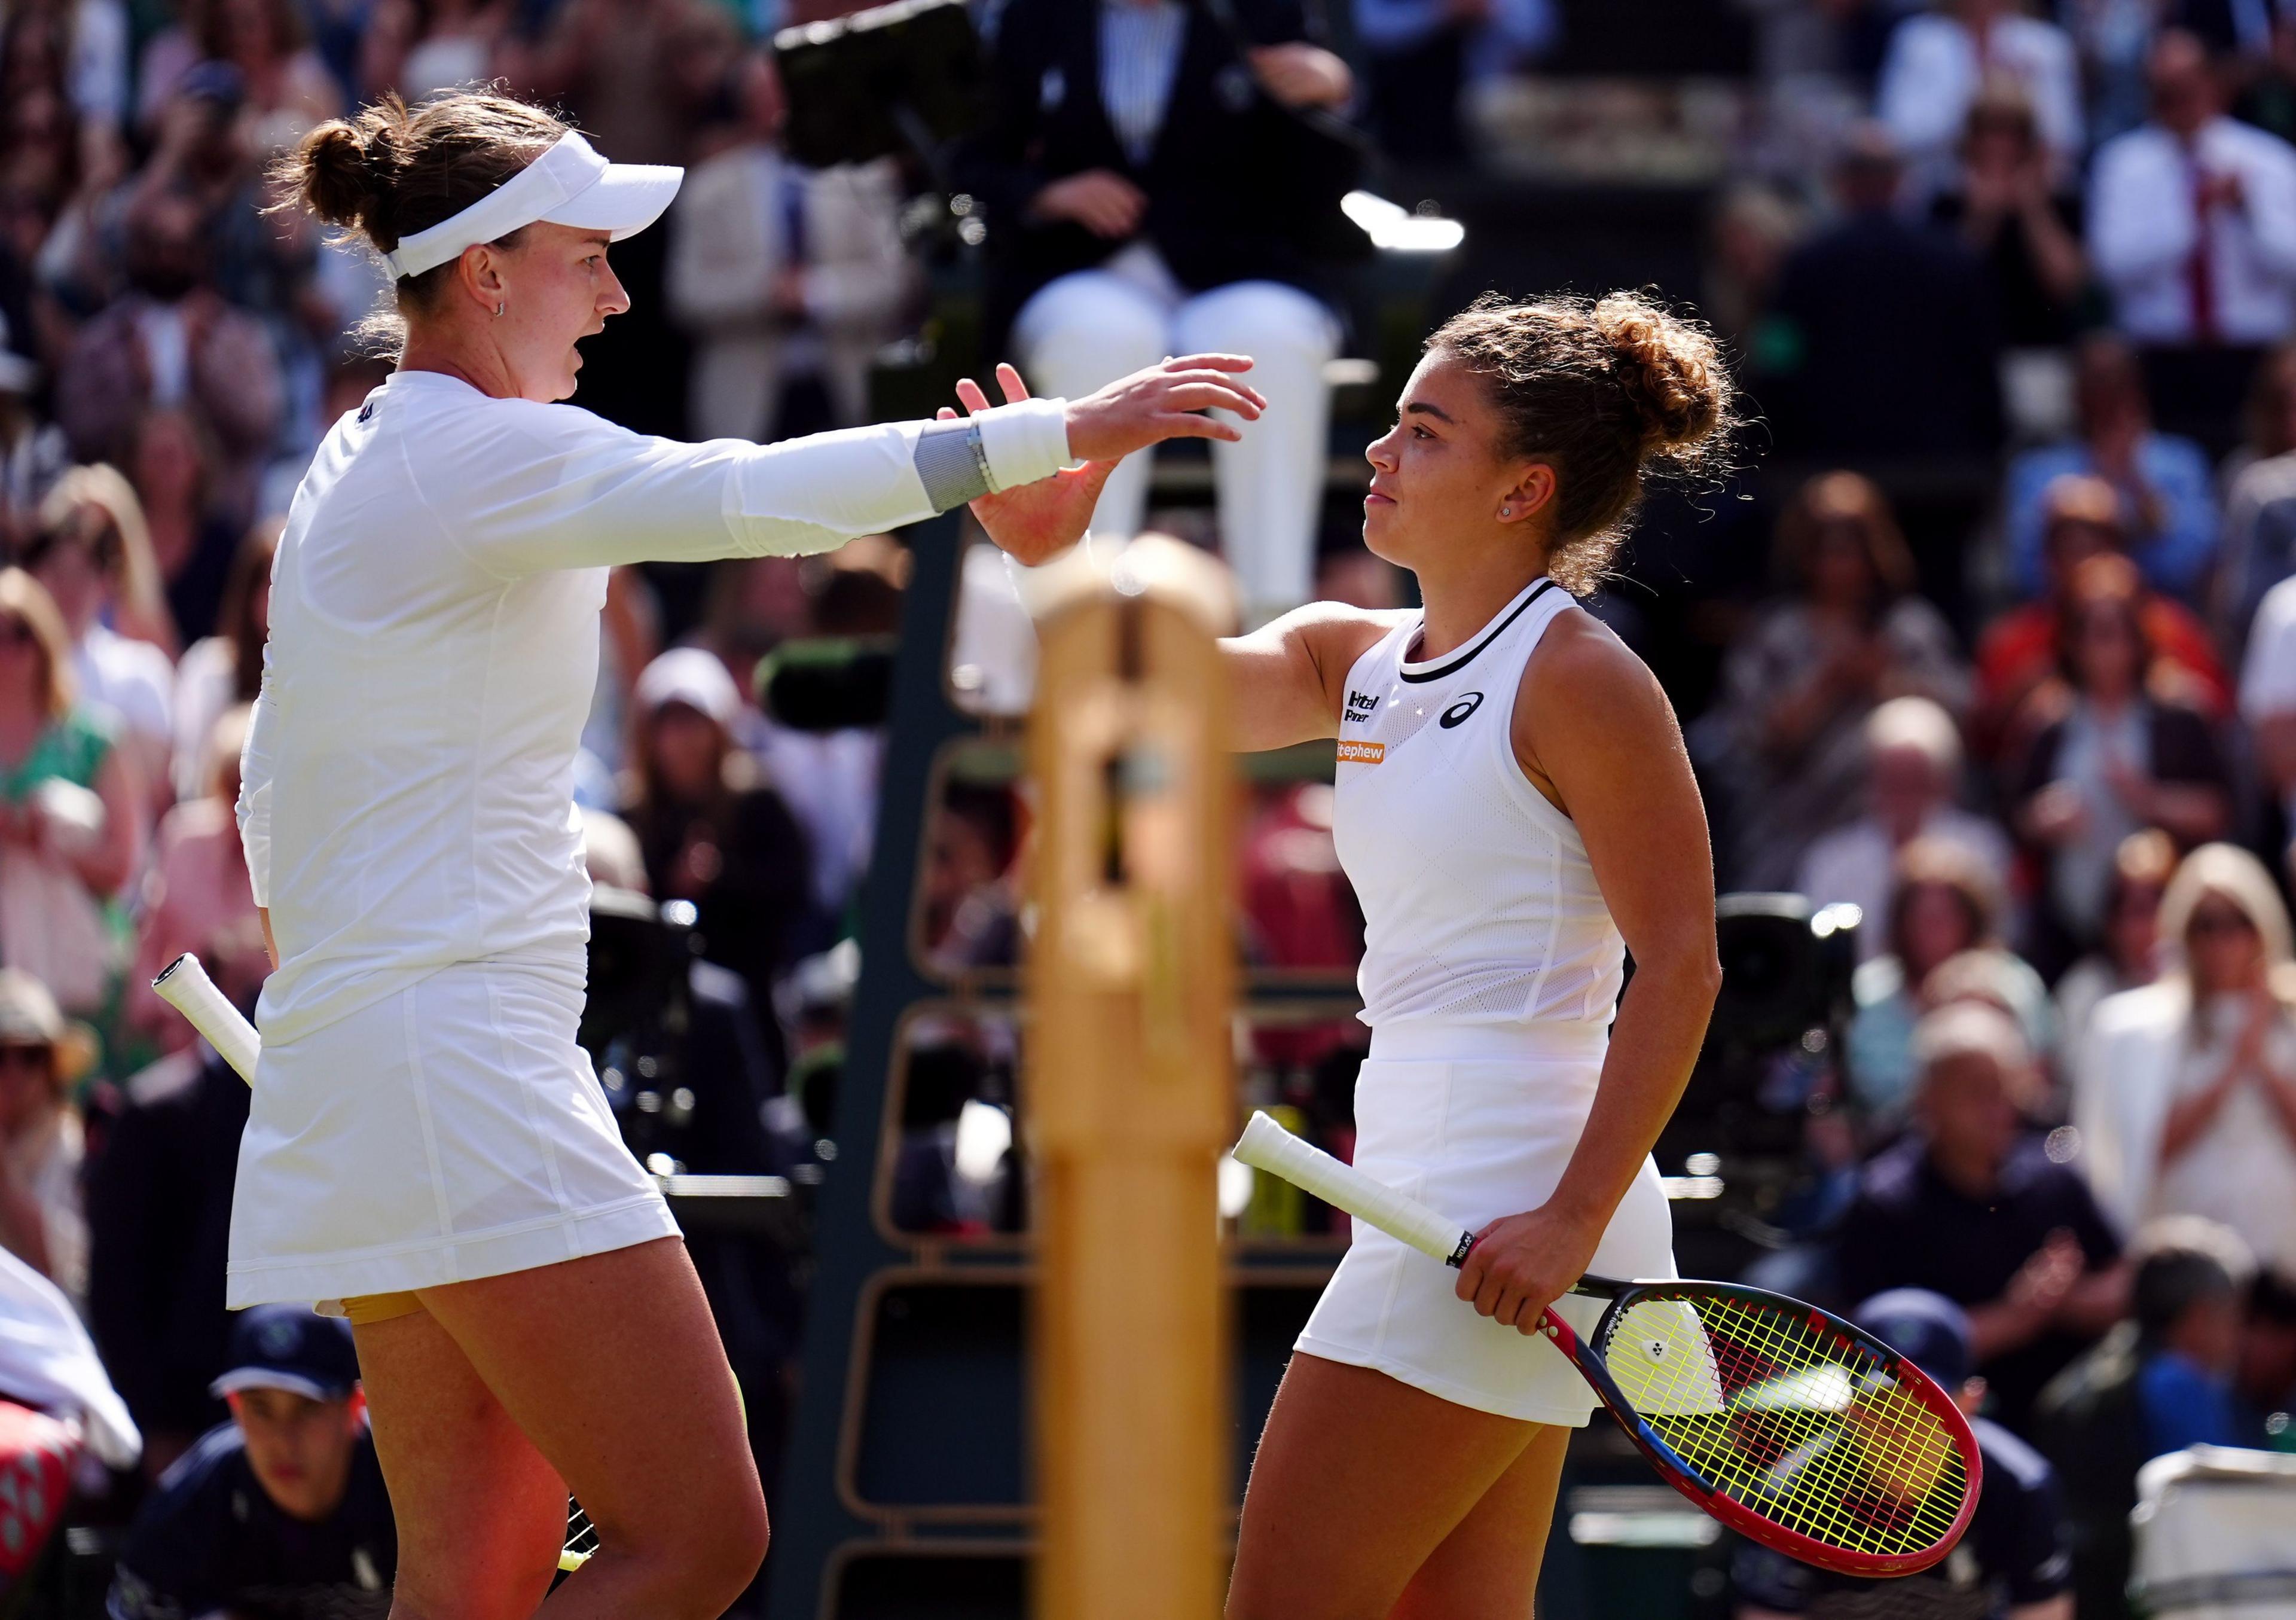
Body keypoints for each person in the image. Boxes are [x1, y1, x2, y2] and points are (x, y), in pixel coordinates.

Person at [248, 86, 1262, 1618]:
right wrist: (1048, 435)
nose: (617, 292)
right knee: (697, 1539)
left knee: (477, 1583)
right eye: (589, 256)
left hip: (378, 1068)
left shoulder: (378, 454)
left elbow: (271, 805)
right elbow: (733, 497)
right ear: (487, 273)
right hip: (449, 1066)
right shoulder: (465, 458)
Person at [961, 288, 1730, 1615]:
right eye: (1392, 424)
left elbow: (1684, 964)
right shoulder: (1351, 658)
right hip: (1444, 1203)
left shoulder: (1584, 680)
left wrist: (1569, 1219)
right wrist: (1052, 557)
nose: (1379, 452)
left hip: (1521, 1208)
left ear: (1521, 489)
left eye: (1425, 433)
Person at [956, 0, 1355, 624]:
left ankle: (1276, 623)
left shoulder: (1268, 10)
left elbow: (1338, 164)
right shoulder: (1028, 16)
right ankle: (1086, 619)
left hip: (1242, 265)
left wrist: (1329, 89)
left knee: (1268, 343)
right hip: (1083, 269)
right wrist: (1048, 195)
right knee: (1101, 340)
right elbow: (970, 161)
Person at [1834, 1002, 2127, 1431]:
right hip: (1935, 1432)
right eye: (1976, 1091)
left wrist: (2064, 1300)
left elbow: (2123, 1283)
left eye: (2005, 1090)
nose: (1996, 1109)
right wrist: (2015, 1317)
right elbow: (1877, 1346)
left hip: (2069, 1414)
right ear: (1928, 1098)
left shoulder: (2056, 1181)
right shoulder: (1887, 1202)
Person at [1732, 1289, 2074, 1620]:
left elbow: (2043, 1611)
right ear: (1849, 1407)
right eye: (1879, 1405)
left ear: (1970, 1403)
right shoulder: (1784, 1497)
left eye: (1923, 1408)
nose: (1900, 1429)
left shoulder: (2022, 1488)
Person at [1709, 469, 1970, 890]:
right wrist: (1830, 682)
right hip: (1797, 828)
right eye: (1827, 550)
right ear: (1805, 555)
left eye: (1852, 549)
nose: (1840, 564)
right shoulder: (1775, 635)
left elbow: (1963, 711)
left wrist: (1886, 680)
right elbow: (1746, 734)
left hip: (1904, 828)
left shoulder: (1907, 629)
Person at [665, 50, 911, 442]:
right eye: (761, 94)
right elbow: (687, 293)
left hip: (847, 385)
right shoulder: (708, 188)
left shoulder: (864, 177)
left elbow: (895, 282)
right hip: (747, 399)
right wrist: (767, 291)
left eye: (783, 92)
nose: (774, 106)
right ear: (743, 102)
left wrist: (815, 292)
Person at [2076, 843, 2296, 1271]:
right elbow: (2140, 1150)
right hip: (2189, 1267)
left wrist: (2263, 1061)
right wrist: (2233, 1066)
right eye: (2205, 924)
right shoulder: (2136, 1030)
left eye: (2238, 921)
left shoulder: (2288, 1016)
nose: (2222, 939)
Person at [106, 1306, 396, 1620]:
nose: (284, 1441)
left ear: (356, 1407)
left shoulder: (408, 1490)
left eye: (309, 1408)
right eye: (261, 1408)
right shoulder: (193, 1497)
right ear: (235, 1409)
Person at [2033, 1216, 2257, 1620]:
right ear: (2201, 1314)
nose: (2237, 1333)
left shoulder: (2093, 1367)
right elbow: (2221, 1507)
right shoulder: (2178, 1384)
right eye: (2232, 1315)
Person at [2012, 554, 2230, 957]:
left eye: (2113, 632)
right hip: (2070, 932)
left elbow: (2218, 810)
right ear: (2071, 641)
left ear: (2138, 636)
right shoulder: (2048, 721)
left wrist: (2149, 800)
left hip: (2169, 933)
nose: (2103, 647)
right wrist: (2045, 818)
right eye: (2089, 633)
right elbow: (2016, 817)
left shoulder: (2180, 714)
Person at [1753, 124, 2004, 465]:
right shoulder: (1955, 261)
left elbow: (1778, 356)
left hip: (1831, 458)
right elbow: (1983, 362)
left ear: (1842, 183)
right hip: (1940, 463)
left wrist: (1777, 446)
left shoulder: (1804, 263)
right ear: (1899, 183)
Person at [620, 647, 816, 1049]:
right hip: (651, 1009)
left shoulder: (757, 804)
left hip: (752, 1003)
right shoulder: (631, 815)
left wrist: (722, 879)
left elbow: (792, 888)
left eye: (693, 722)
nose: (681, 740)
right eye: (667, 724)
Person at [1976, 474, 2228, 762]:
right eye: (2070, 549)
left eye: (2098, 546)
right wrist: (2040, 687)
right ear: (2048, 559)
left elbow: (2218, 717)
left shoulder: (2171, 627)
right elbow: (1984, 740)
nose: (2085, 562)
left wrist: (2153, 678)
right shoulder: (2012, 640)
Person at [2090, 30, 2296, 348]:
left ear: (2213, 82)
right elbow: (2112, 267)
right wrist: (2189, 216)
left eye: (2187, 84)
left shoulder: (2269, 158)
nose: (2178, 97)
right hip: (2158, 344)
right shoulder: (2122, 164)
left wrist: (2248, 210)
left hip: (2254, 340)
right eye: (2166, 88)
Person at [0, 566, 142, 1020]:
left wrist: (52, 842)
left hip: (79, 962)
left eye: (20, 632)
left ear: (44, 641)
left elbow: (122, 862)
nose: (7, 649)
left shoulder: (92, 739)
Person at [1843, 837, 2051, 1118]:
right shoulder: (1866, 993)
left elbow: (2036, 1082)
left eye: (1946, 915)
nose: (1934, 928)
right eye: (1922, 916)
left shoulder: (2014, 986)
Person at [1794, 695, 2012, 962]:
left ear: (1944, 781)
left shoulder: (1983, 849)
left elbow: (2002, 938)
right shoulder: (1831, 861)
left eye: (1916, 779)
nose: (1903, 794)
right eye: (1892, 779)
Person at [2003, 338, 2221, 603]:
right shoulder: (2036, 472)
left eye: (2117, 382)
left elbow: (2194, 568)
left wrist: (2138, 487)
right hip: (2062, 619)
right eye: (2096, 382)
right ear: (2076, 392)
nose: (2106, 395)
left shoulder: (2182, 463)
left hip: (2162, 616)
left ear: (2138, 389)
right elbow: (2029, 574)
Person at [1929, 89, 2089, 353]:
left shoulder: (2062, 201)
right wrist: (1983, 217)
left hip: (2042, 353)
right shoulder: (1946, 204)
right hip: (1967, 354)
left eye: (2011, 132)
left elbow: (2067, 285)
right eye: (1987, 131)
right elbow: (1943, 291)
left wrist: (2033, 208)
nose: (1999, 145)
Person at [1877, 0, 2084, 187]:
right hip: (1939, 186)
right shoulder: (1918, 41)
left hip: (2030, 189)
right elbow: (1897, 134)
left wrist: (2021, 97)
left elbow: (2066, 136)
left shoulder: (2046, 44)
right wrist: (1980, 94)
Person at [0, 969, 90, 1310]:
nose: (14, 1074)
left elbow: (54, 1269)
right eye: (0, 1056)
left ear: (51, 1065)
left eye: (30, 1056)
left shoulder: (70, 1148)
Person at [2056, 829, 2176, 1074]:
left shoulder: (2202, 984)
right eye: (2139, 911)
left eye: (2164, 906)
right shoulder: (2086, 990)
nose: (2155, 924)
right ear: (2113, 924)